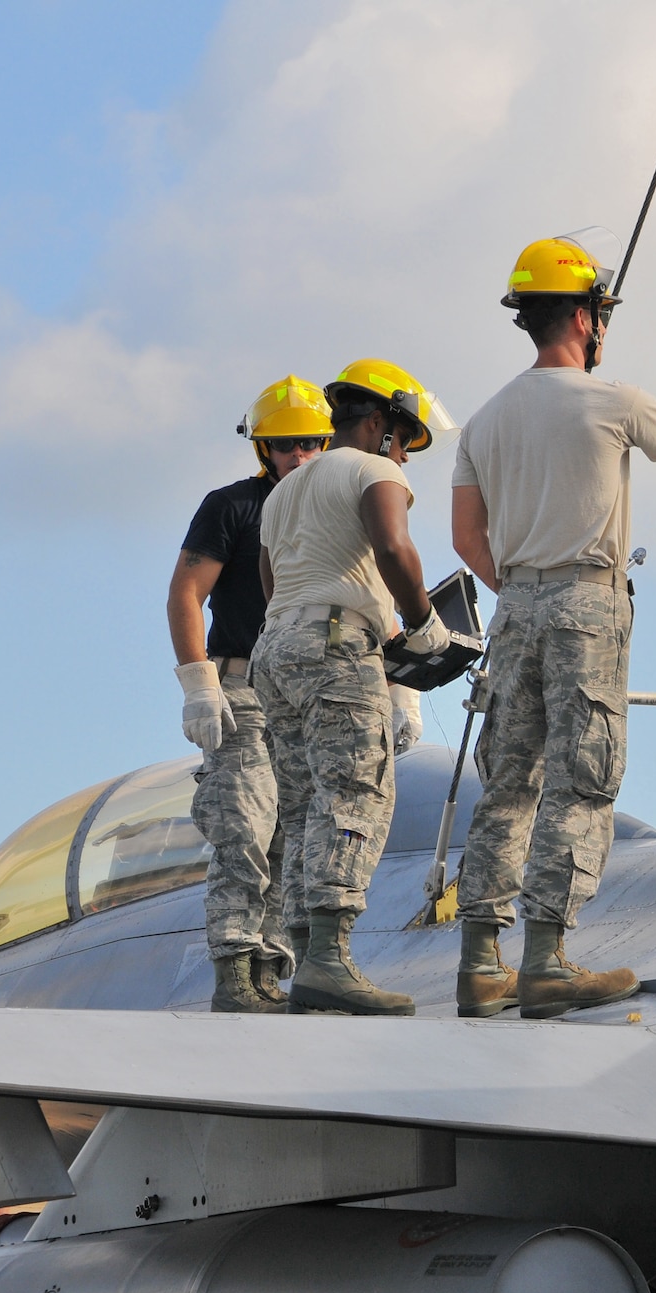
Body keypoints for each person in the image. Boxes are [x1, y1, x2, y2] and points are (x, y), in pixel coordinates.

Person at [451, 230, 656, 1020]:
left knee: (507, 787)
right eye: (601, 312)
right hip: (585, 604)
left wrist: (522, 590)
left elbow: (466, 539)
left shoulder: (486, 420)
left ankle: (478, 964)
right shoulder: (610, 400)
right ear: (585, 317)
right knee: (581, 778)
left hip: (513, 606)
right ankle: (546, 960)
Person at [255, 357, 451, 1016]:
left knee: (306, 804)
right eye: (405, 441)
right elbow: (394, 549)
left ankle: (308, 954)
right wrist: (424, 626)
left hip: (275, 649)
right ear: (381, 423)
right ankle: (331, 960)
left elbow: (272, 579)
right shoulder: (376, 470)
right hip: (337, 651)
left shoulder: (285, 491)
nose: (406, 458)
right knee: (356, 793)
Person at [169, 375, 327, 1013]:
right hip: (241, 690)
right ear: (264, 449)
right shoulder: (232, 505)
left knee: (297, 834)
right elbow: (186, 593)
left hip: (308, 694)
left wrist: (398, 688)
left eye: (311, 442)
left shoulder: (337, 511)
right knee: (245, 828)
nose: (299, 456)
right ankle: (234, 975)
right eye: (285, 445)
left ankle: (269, 970)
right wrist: (199, 683)